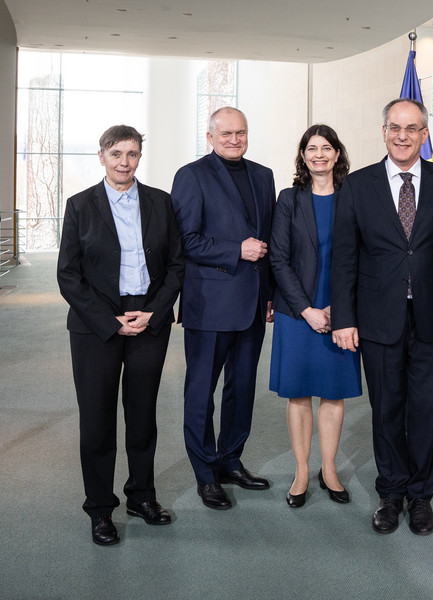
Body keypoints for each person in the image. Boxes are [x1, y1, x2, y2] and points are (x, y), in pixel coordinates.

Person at [331, 98, 433, 535]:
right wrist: (345, 319)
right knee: (386, 408)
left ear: (425, 134)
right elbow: (345, 257)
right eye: (394, 127)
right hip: (377, 317)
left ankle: (421, 495)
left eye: (412, 128)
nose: (403, 136)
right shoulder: (357, 184)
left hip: (432, 316)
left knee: (426, 409)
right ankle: (391, 491)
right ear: (383, 131)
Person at [57, 125, 185, 545]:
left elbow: (176, 266)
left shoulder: (160, 202)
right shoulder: (80, 206)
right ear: (102, 157)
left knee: (143, 415)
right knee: (96, 421)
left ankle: (141, 495)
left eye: (132, 153)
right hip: (98, 326)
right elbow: (69, 277)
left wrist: (153, 312)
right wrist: (112, 321)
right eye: (116, 154)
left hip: (149, 319)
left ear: (139, 156)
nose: (124, 161)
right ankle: (99, 509)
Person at [171, 106, 276, 510]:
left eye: (241, 133)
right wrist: (237, 250)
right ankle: (205, 474)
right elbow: (186, 240)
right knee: (202, 392)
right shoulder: (192, 175)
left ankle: (231, 460)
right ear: (210, 137)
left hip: (252, 304)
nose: (235, 139)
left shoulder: (263, 176)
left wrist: (268, 293)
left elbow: (266, 242)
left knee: (242, 388)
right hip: (210, 302)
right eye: (227, 133)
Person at [269, 125, 362, 508]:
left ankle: (329, 469)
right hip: (297, 312)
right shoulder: (289, 199)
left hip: (342, 311)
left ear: (338, 154)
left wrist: (339, 311)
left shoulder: (353, 198)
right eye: (312, 148)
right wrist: (306, 310)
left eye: (326, 148)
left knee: (333, 393)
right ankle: (302, 471)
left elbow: (364, 257)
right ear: (303, 156)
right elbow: (278, 257)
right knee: (299, 394)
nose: (319, 154)